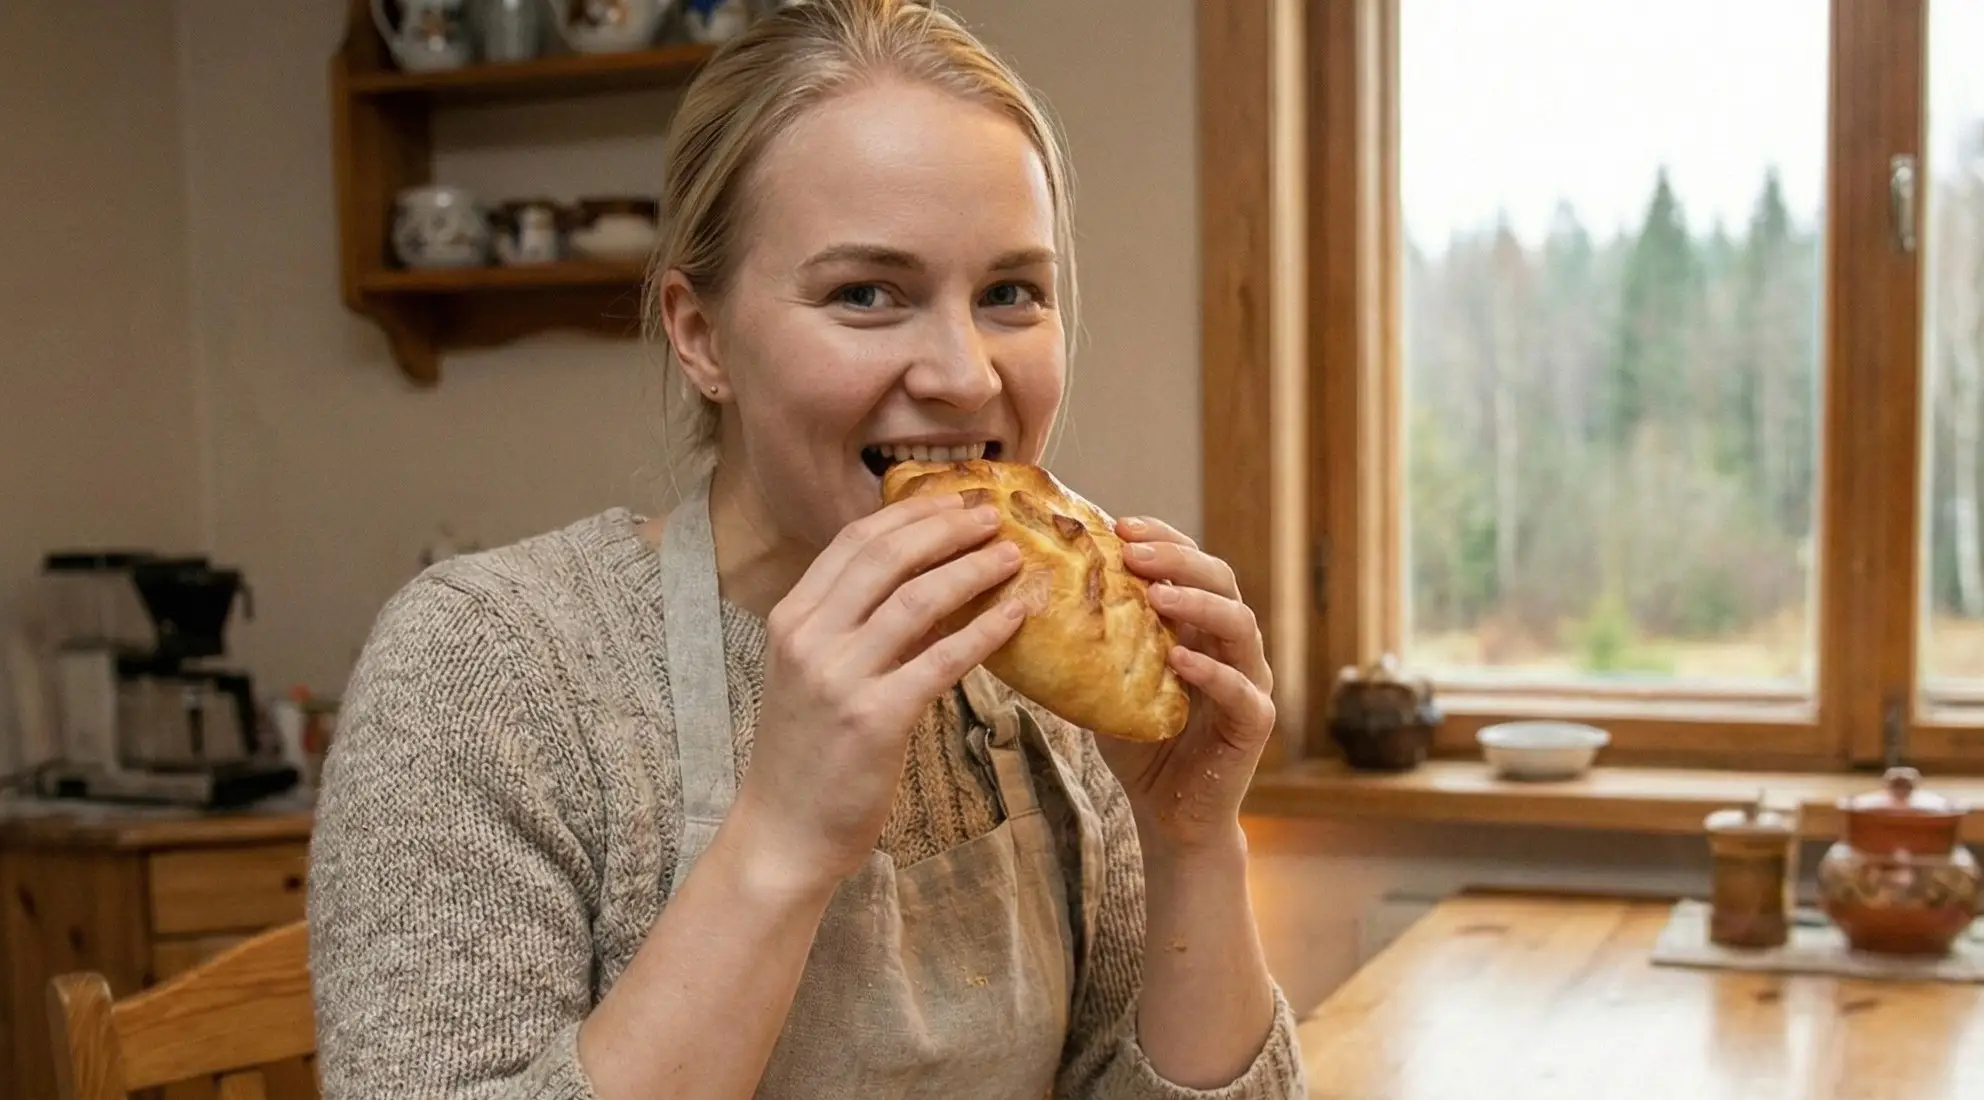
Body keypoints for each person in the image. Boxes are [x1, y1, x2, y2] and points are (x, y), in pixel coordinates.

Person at [305, 2, 1303, 1096]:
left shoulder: (1056, 694)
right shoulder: (488, 668)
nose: (967, 376)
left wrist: (1192, 841)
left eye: (1010, 291)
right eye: (865, 292)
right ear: (700, 335)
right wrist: (780, 837)